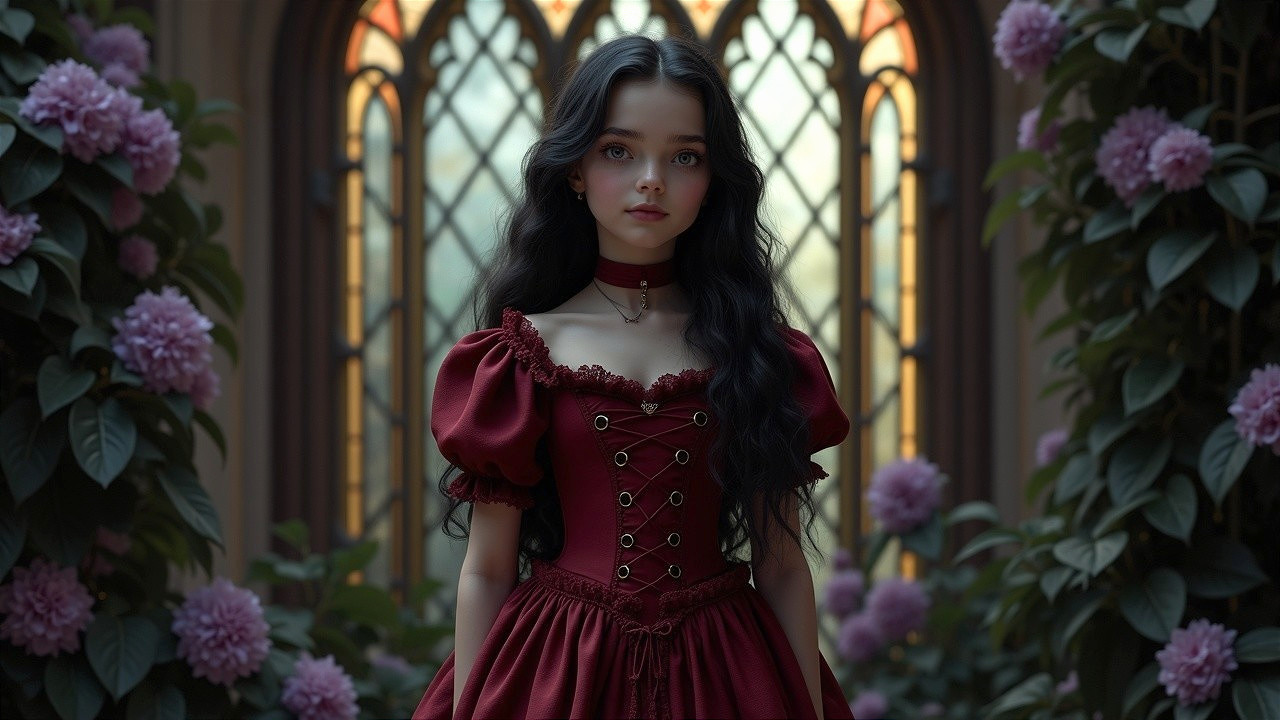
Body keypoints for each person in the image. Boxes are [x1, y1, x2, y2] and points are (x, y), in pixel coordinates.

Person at [413, 33, 855, 720]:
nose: (652, 178)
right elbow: (488, 569)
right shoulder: (519, 354)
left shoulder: (758, 352)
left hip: (724, 672)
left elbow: (783, 566)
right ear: (576, 170)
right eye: (619, 150)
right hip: (559, 669)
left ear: (712, 183)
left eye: (685, 157)